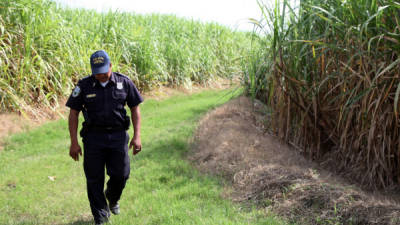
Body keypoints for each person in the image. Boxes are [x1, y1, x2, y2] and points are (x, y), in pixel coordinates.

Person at [66, 50, 143, 225]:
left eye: (103, 70)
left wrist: (137, 136)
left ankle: (112, 197)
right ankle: (101, 217)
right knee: (94, 179)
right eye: (96, 71)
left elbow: (135, 109)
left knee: (121, 175)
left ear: (110, 65)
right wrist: (74, 142)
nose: (100, 75)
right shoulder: (84, 85)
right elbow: (73, 114)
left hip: (118, 136)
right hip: (93, 138)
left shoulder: (124, 82)